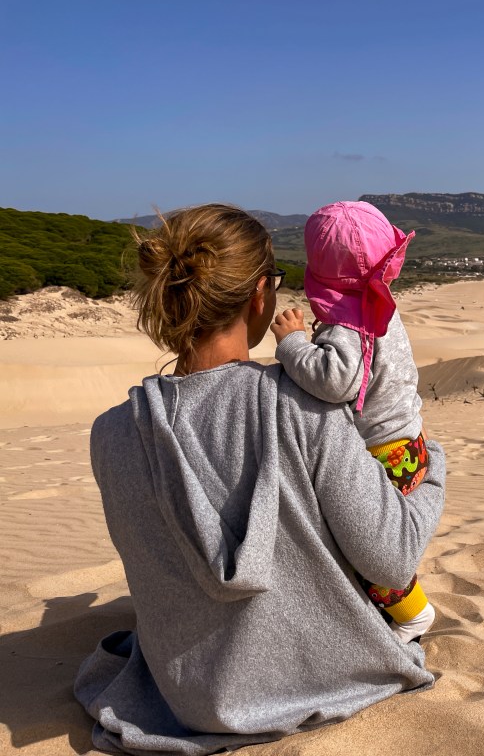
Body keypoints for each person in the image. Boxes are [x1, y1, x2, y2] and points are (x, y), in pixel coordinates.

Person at [74, 204, 446, 755]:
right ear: (258, 295)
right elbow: (391, 557)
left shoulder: (112, 433)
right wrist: (433, 467)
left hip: (185, 698)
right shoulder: (299, 405)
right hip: (321, 678)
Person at [271, 201, 433, 643]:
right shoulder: (381, 307)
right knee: (369, 544)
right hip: (407, 443)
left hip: (383, 455)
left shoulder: (349, 324)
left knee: (368, 551)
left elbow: (334, 382)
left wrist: (293, 345)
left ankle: (414, 615)